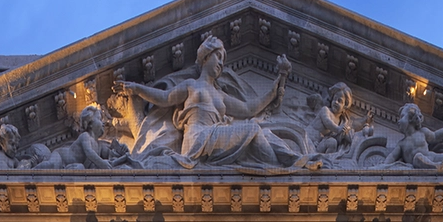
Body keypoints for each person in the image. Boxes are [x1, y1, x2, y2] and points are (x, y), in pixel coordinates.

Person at [113, 35, 302, 167]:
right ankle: (280, 165)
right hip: (197, 138)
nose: (221, 63)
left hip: (213, 136)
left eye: (223, 60)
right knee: (252, 129)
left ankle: (288, 162)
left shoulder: (219, 95)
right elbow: (164, 98)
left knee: (261, 131)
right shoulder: (191, 86)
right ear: (205, 57)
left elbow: (249, 108)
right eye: (217, 57)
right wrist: (137, 89)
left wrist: (278, 82)